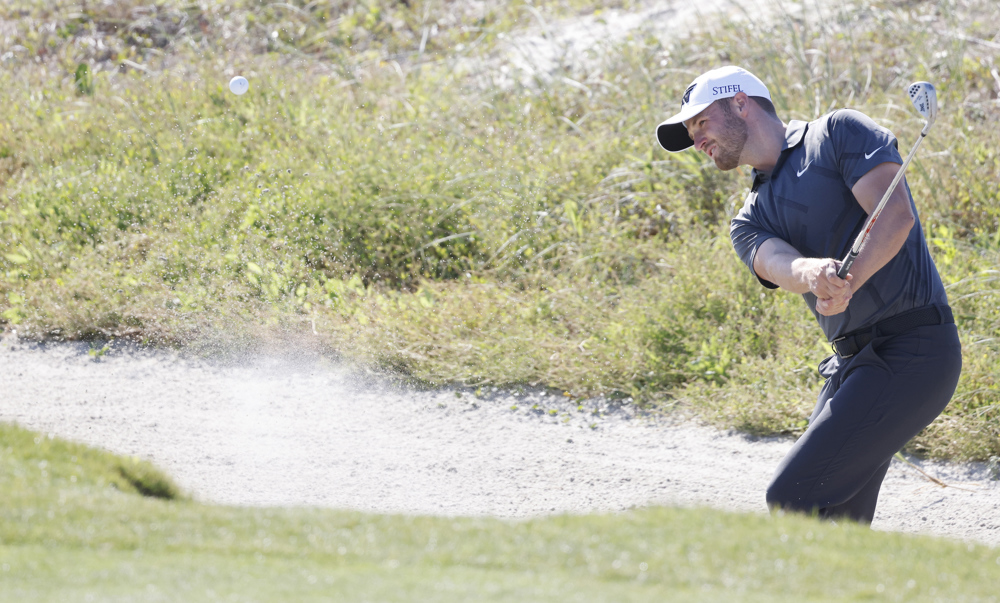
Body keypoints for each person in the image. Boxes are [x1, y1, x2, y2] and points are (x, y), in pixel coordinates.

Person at [655, 66, 962, 524]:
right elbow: (778, 264)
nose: (697, 139)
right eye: (690, 131)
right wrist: (813, 272)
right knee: (835, 521)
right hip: (856, 367)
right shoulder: (748, 218)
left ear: (740, 103)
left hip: (915, 351)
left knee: (791, 496)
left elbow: (895, 216)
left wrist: (849, 280)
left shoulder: (837, 133)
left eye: (701, 122)